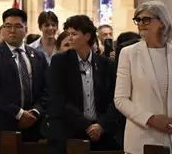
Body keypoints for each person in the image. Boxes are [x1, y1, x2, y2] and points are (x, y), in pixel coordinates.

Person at [115, 0, 172, 154]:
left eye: (146, 19)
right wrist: (150, 119)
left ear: (161, 22)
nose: (140, 24)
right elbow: (120, 98)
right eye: (137, 20)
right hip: (142, 137)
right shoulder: (129, 53)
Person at [0, 8, 49, 154]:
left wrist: (35, 112)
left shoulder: (38, 55)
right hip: (2, 125)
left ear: (26, 29)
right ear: (3, 28)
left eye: (17, 26)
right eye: (7, 26)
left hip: (33, 125)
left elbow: (47, 89)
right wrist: (19, 113)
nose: (12, 30)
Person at [46, 15, 119, 153]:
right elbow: (59, 98)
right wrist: (86, 126)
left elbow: (115, 98)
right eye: (68, 34)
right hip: (70, 131)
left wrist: (101, 125)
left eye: (74, 34)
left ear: (87, 36)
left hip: (101, 132)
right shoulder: (59, 62)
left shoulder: (106, 64)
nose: (70, 38)